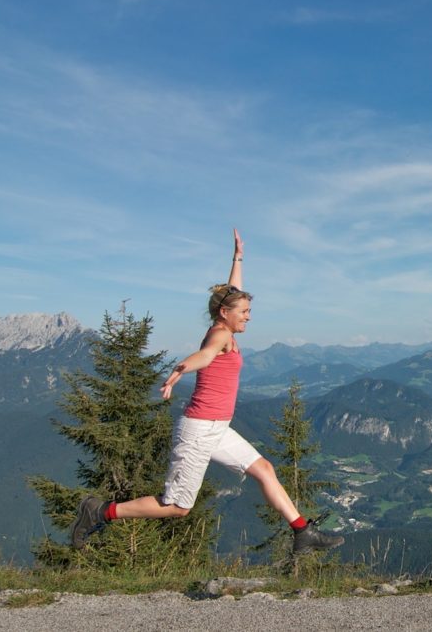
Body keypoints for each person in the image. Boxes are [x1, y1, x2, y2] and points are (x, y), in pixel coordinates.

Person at [71, 229, 343, 556]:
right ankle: (100, 511)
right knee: (176, 506)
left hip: (217, 428)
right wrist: (182, 368)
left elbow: (232, 292)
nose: (249, 316)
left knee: (264, 469)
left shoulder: (226, 324)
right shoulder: (220, 335)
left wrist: (238, 257)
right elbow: (206, 355)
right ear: (225, 313)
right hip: (199, 430)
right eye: (244, 312)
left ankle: (302, 532)